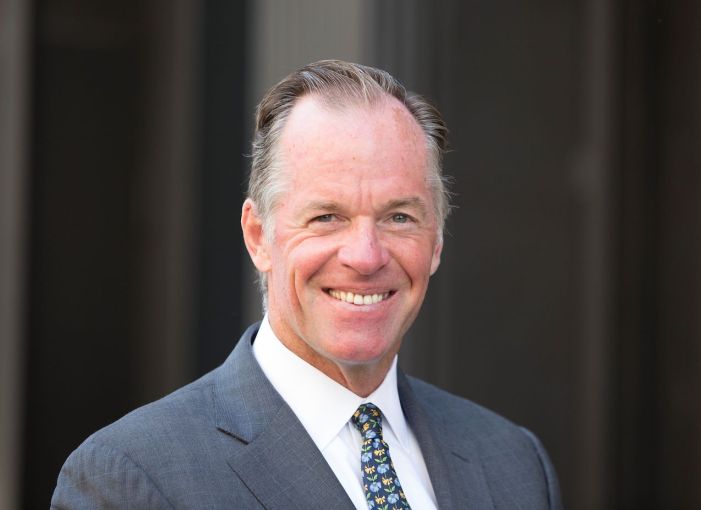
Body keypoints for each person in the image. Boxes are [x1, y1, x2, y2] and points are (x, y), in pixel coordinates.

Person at [52, 60, 562, 509]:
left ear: (437, 241)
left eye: (399, 217)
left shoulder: (513, 463)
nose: (366, 256)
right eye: (326, 217)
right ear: (259, 236)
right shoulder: (133, 480)